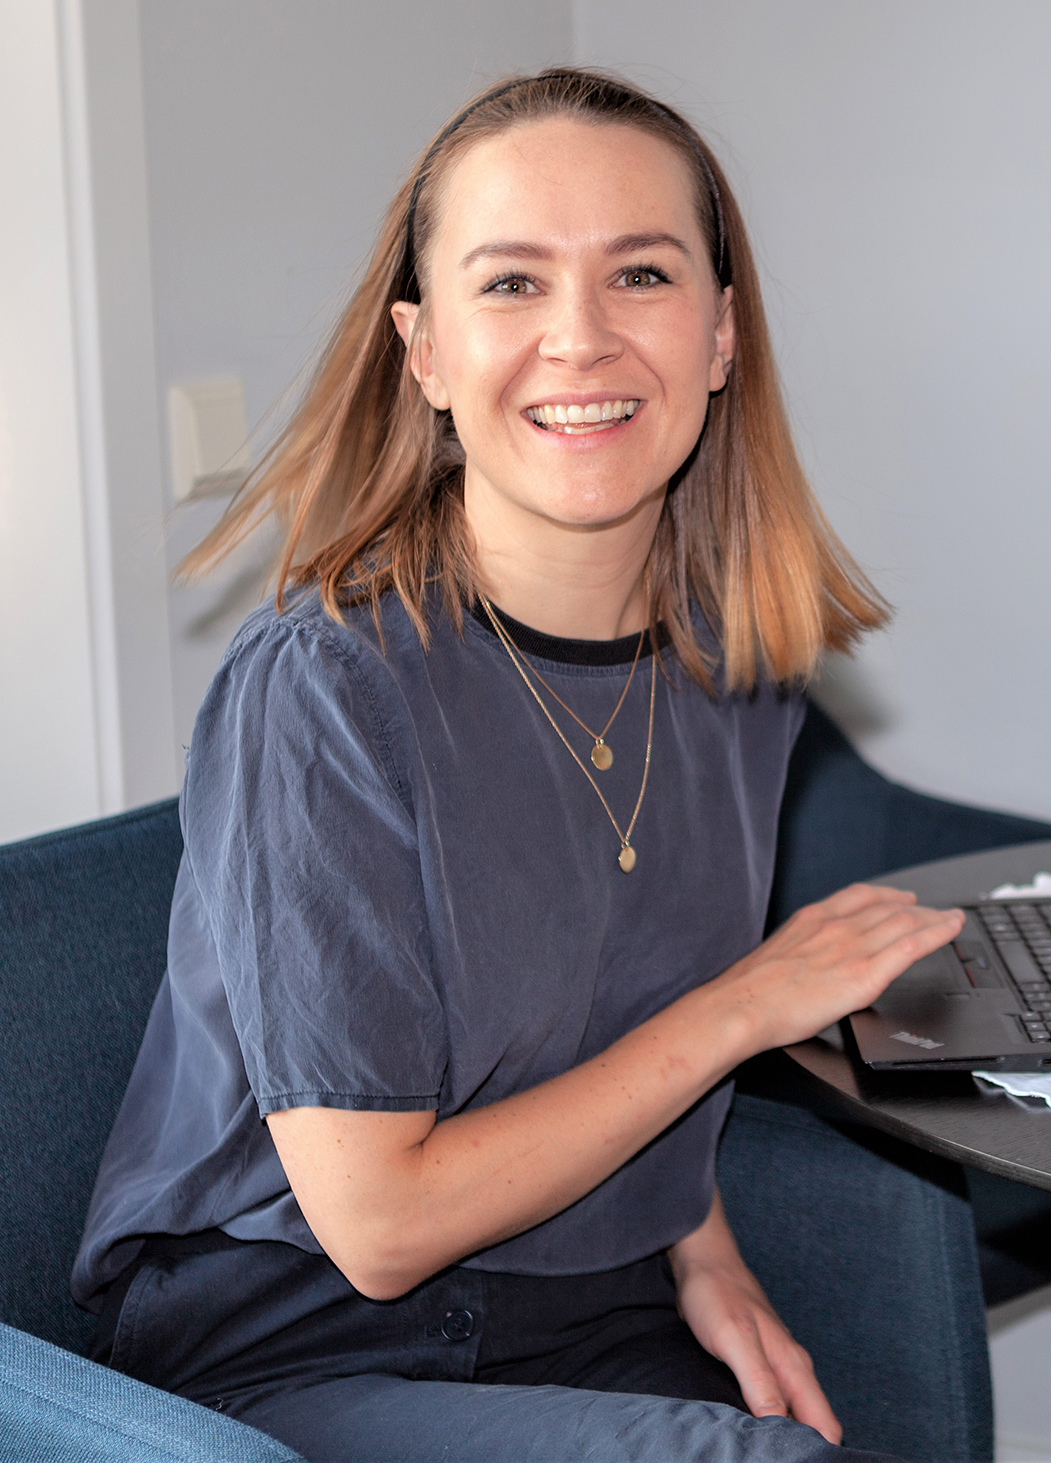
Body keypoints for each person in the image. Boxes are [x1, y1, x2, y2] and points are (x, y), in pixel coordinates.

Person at [71, 67, 964, 1463]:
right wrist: (745, 1007)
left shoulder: (738, 667)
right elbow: (378, 1224)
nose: (581, 338)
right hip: (300, 1351)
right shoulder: (325, 688)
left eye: (642, 274)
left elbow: (615, 1013)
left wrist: (702, 1246)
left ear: (722, 334)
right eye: (511, 284)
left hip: (586, 1303)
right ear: (423, 350)